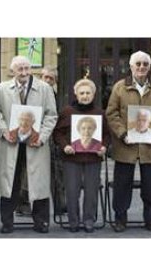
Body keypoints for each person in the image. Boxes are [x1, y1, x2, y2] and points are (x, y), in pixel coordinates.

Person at [0, 55, 57, 234]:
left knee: (38, 182)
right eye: (20, 69)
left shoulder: (44, 88)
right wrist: (5, 131)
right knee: (10, 182)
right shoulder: (3, 88)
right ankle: (7, 222)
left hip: (36, 144)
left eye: (27, 68)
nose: (24, 72)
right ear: (12, 71)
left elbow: (51, 115)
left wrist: (42, 137)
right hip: (11, 144)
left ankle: (41, 222)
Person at [106, 50, 151, 233]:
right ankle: (120, 218)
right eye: (138, 64)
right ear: (131, 67)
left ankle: (150, 218)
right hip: (125, 145)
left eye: (145, 64)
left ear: (149, 67)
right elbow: (111, 113)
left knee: (150, 186)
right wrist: (122, 133)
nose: (142, 67)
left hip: (149, 146)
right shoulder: (120, 87)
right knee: (122, 184)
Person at [53, 79, 109, 232]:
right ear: (76, 94)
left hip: (93, 158)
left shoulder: (100, 113)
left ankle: (89, 220)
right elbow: (58, 133)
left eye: (88, 93)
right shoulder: (67, 112)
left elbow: (106, 135)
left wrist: (104, 146)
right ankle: (73, 221)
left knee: (91, 191)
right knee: (72, 191)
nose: (85, 96)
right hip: (71, 158)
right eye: (82, 93)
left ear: (94, 94)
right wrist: (65, 146)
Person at [40, 66, 67, 215]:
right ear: (41, 78)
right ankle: (27, 205)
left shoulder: (59, 97)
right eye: (45, 77)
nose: (48, 80)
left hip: (55, 140)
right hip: (39, 139)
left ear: (55, 81)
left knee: (58, 174)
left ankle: (60, 205)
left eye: (51, 78)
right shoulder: (35, 95)